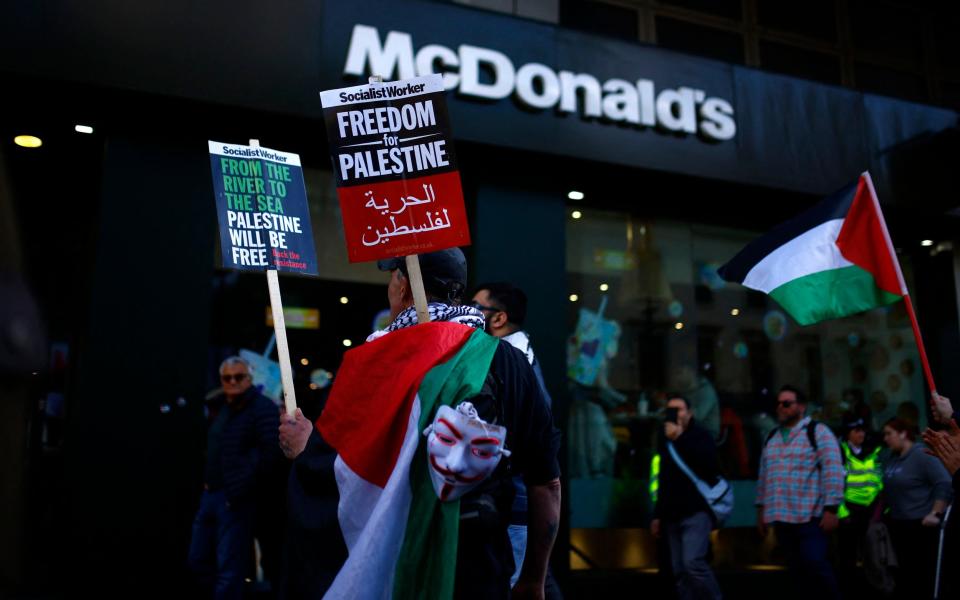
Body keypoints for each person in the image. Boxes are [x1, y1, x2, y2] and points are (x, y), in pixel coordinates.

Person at [279, 249, 561, 599]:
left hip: (393, 567)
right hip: (480, 569)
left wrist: (305, 449)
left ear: (405, 287)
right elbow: (547, 484)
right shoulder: (511, 362)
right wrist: (534, 580)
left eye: (392, 276)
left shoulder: (369, 364)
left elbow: (342, 474)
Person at [471, 282, 561, 599]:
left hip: (513, 506)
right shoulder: (512, 358)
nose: (468, 313)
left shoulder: (511, 362)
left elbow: (541, 462)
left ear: (498, 319)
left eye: (476, 307)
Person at [188, 356, 283, 600]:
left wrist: (241, 488)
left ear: (249, 379)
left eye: (238, 376)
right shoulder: (219, 406)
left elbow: (270, 453)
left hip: (235, 499)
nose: (232, 381)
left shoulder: (262, 408)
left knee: (229, 567)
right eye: (227, 377)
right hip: (211, 494)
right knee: (198, 559)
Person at [755, 385, 844, 599]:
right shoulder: (772, 437)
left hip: (810, 517)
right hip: (782, 519)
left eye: (787, 403)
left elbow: (833, 469)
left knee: (816, 565)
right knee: (796, 572)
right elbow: (764, 476)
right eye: (778, 403)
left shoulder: (818, 432)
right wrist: (761, 511)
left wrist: (832, 508)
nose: (781, 407)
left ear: (801, 407)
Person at [650, 394, 723, 600]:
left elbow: (708, 467)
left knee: (693, 564)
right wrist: (657, 515)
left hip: (696, 511)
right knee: (679, 570)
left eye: (679, 409)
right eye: (670, 410)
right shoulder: (663, 437)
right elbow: (662, 477)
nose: (675, 414)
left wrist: (679, 438)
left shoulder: (701, 435)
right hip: (671, 514)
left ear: (689, 413)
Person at [881, 416, 952, 600]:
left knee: (922, 576)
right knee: (904, 575)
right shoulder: (893, 458)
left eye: (889, 433)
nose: (886, 438)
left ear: (903, 434)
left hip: (920, 525)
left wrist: (935, 512)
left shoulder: (921, 455)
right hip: (899, 524)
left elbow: (944, 482)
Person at [836, 412, 883, 595]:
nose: (861, 434)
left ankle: (871, 591)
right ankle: (848, 592)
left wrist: (881, 509)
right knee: (847, 559)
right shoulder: (840, 452)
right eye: (856, 431)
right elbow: (835, 485)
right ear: (848, 433)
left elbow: (879, 481)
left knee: (873, 556)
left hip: (871, 512)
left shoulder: (873, 450)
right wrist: (842, 513)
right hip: (849, 512)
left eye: (863, 430)